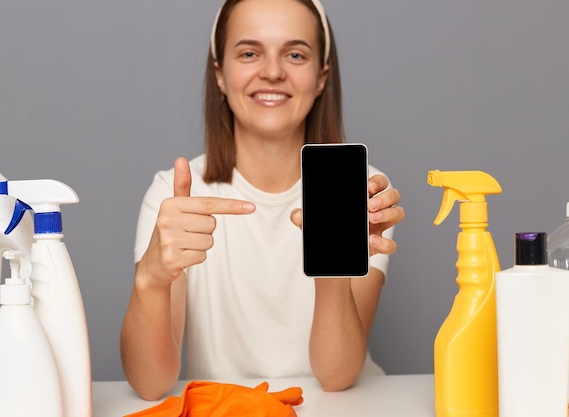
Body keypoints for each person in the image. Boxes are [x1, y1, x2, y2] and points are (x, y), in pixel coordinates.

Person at [120, 0, 405, 401]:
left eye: (294, 54)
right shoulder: (174, 196)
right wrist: (150, 280)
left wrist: (334, 264)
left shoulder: (360, 189)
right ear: (219, 73)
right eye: (250, 53)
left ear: (322, 77)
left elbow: (336, 376)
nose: (272, 72)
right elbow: (150, 383)